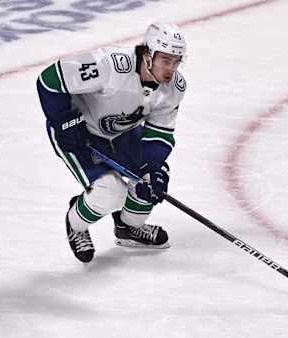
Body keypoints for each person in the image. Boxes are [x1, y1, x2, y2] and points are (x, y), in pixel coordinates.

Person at [36, 23, 187, 263]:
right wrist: (64, 121)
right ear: (148, 54)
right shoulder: (109, 65)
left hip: (123, 135)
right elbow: (50, 80)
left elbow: (160, 133)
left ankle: (128, 228)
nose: (171, 69)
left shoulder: (174, 88)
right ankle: (76, 222)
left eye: (176, 61)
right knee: (110, 192)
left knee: (153, 179)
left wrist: (152, 166)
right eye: (165, 60)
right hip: (78, 135)